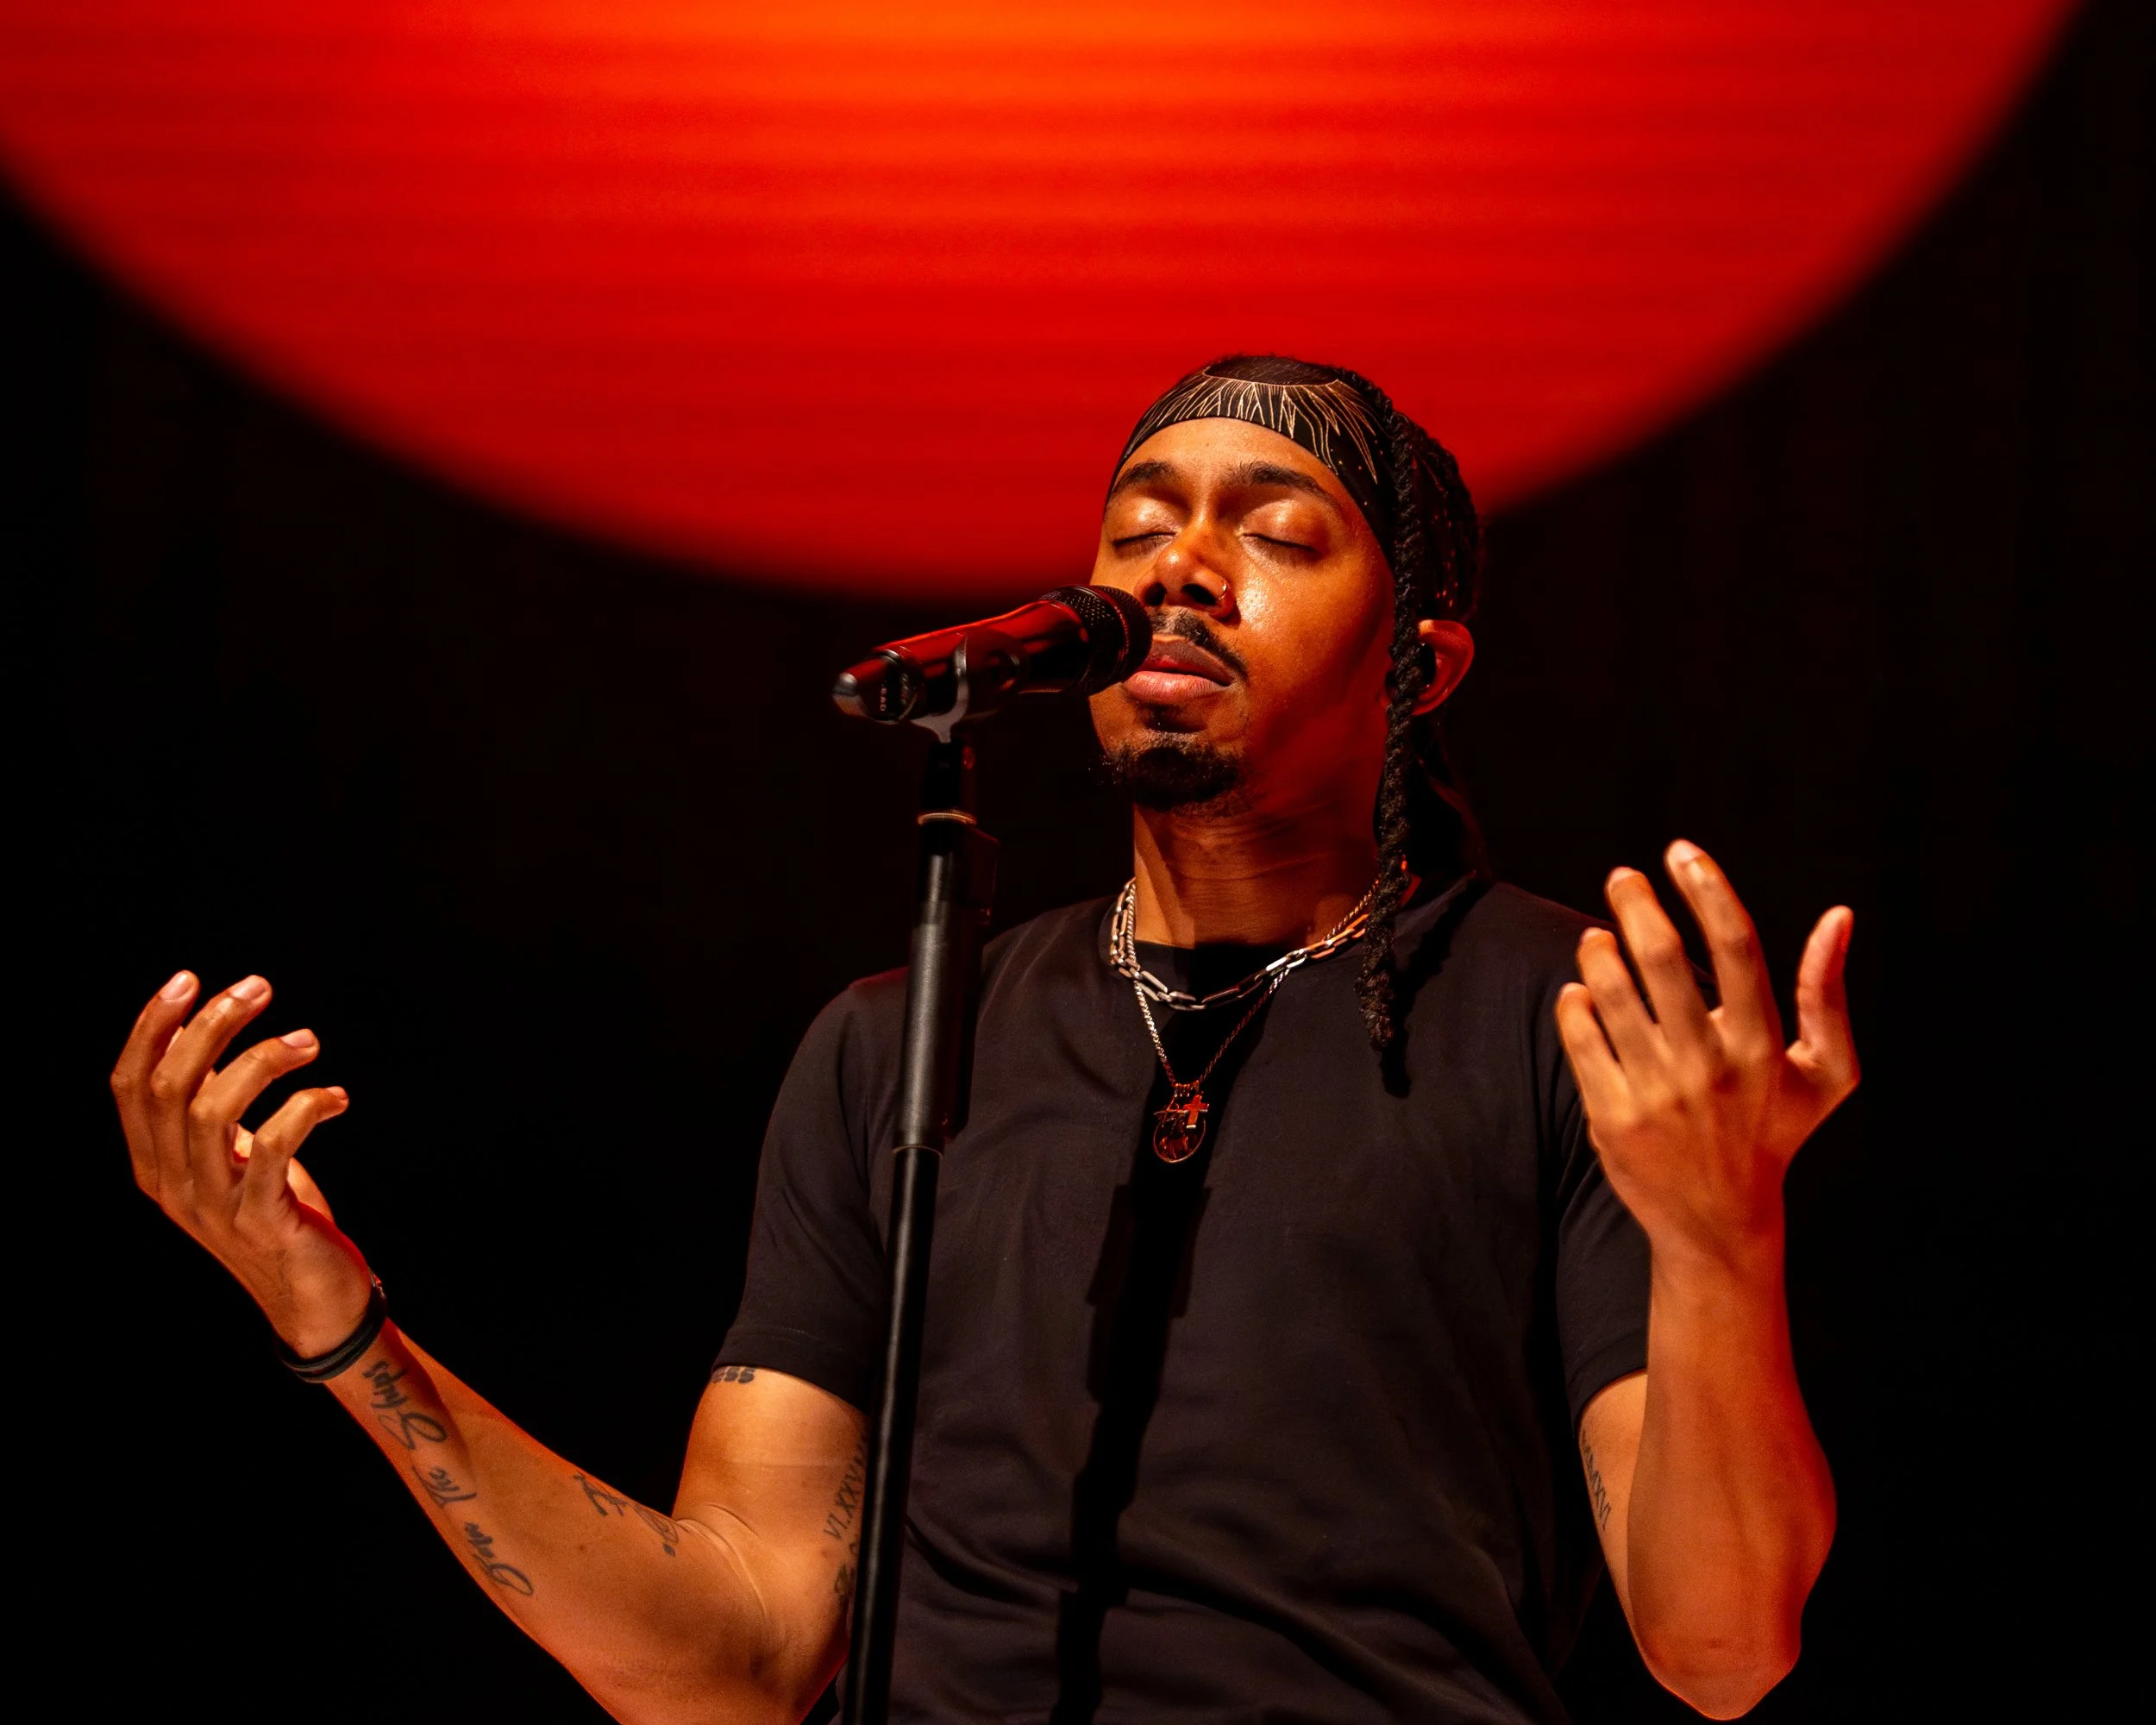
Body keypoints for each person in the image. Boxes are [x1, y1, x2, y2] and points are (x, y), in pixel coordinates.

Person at [110, 355, 1854, 1723]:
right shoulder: (896, 1048)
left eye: (1274, 532)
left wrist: (1720, 1234)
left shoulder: (1570, 1021)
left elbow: (1718, 1650)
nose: (1179, 569)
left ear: (1421, 663)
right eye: (1137, 526)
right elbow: (737, 1655)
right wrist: (345, 1332)